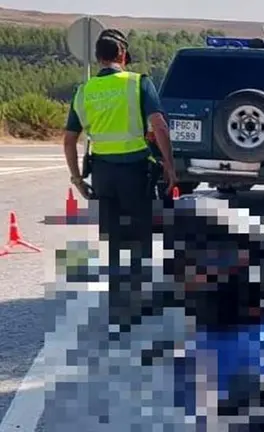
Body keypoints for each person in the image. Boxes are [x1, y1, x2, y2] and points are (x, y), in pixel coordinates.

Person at [62, 28, 177, 327]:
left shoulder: (84, 91)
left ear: (98, 57)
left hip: (102, 175)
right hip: (135, 171)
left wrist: (77, 179)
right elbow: (160, 127)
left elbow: (68, 139)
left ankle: (116, 310)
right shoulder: (138, 83)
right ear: (123, 55)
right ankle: (138, 306)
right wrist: (169, 165)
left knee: (113, 240)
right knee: (139, 239)